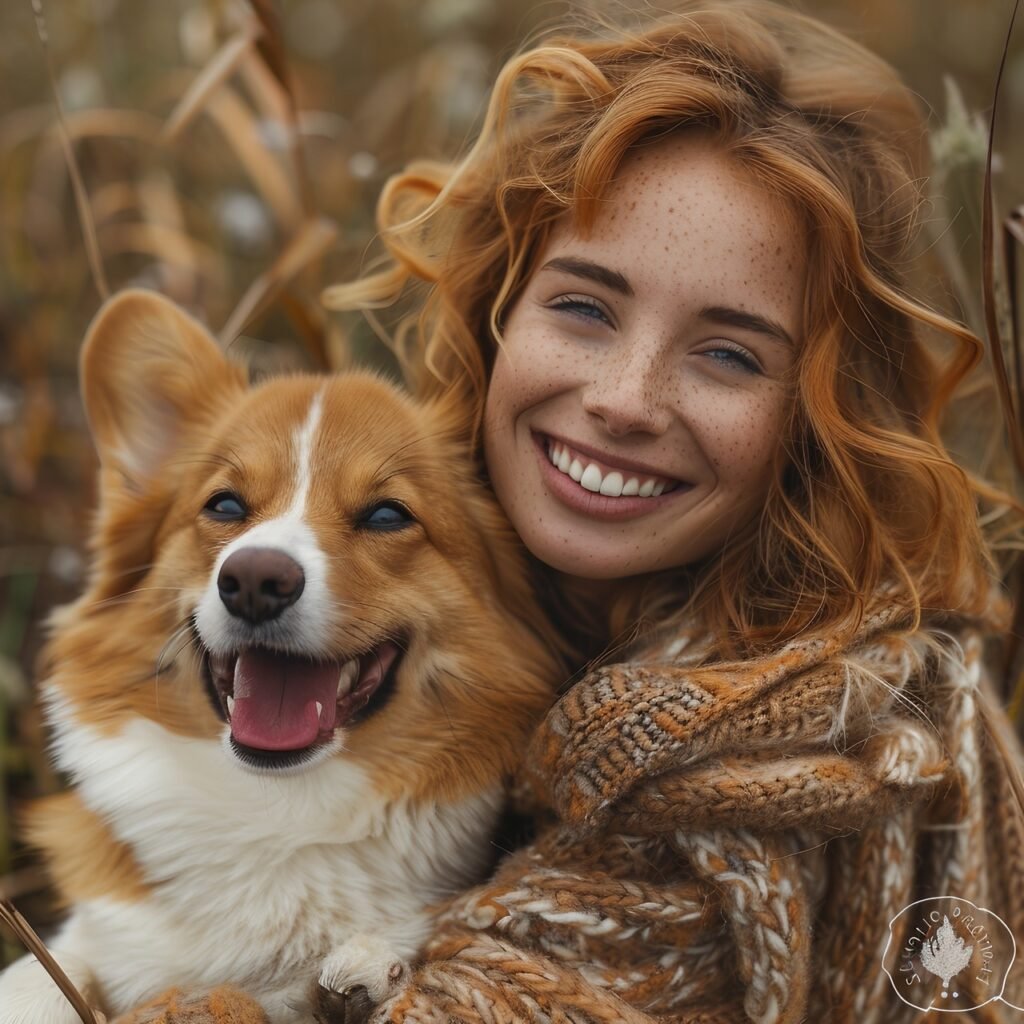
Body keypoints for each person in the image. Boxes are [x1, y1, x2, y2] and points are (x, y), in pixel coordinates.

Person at [115, 1, 1024, 1022]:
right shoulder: (426, 580)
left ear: (819, 421)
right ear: (496, 314)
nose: (624, 399)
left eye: (728, 353)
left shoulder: (807, 766)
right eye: (584, 307)